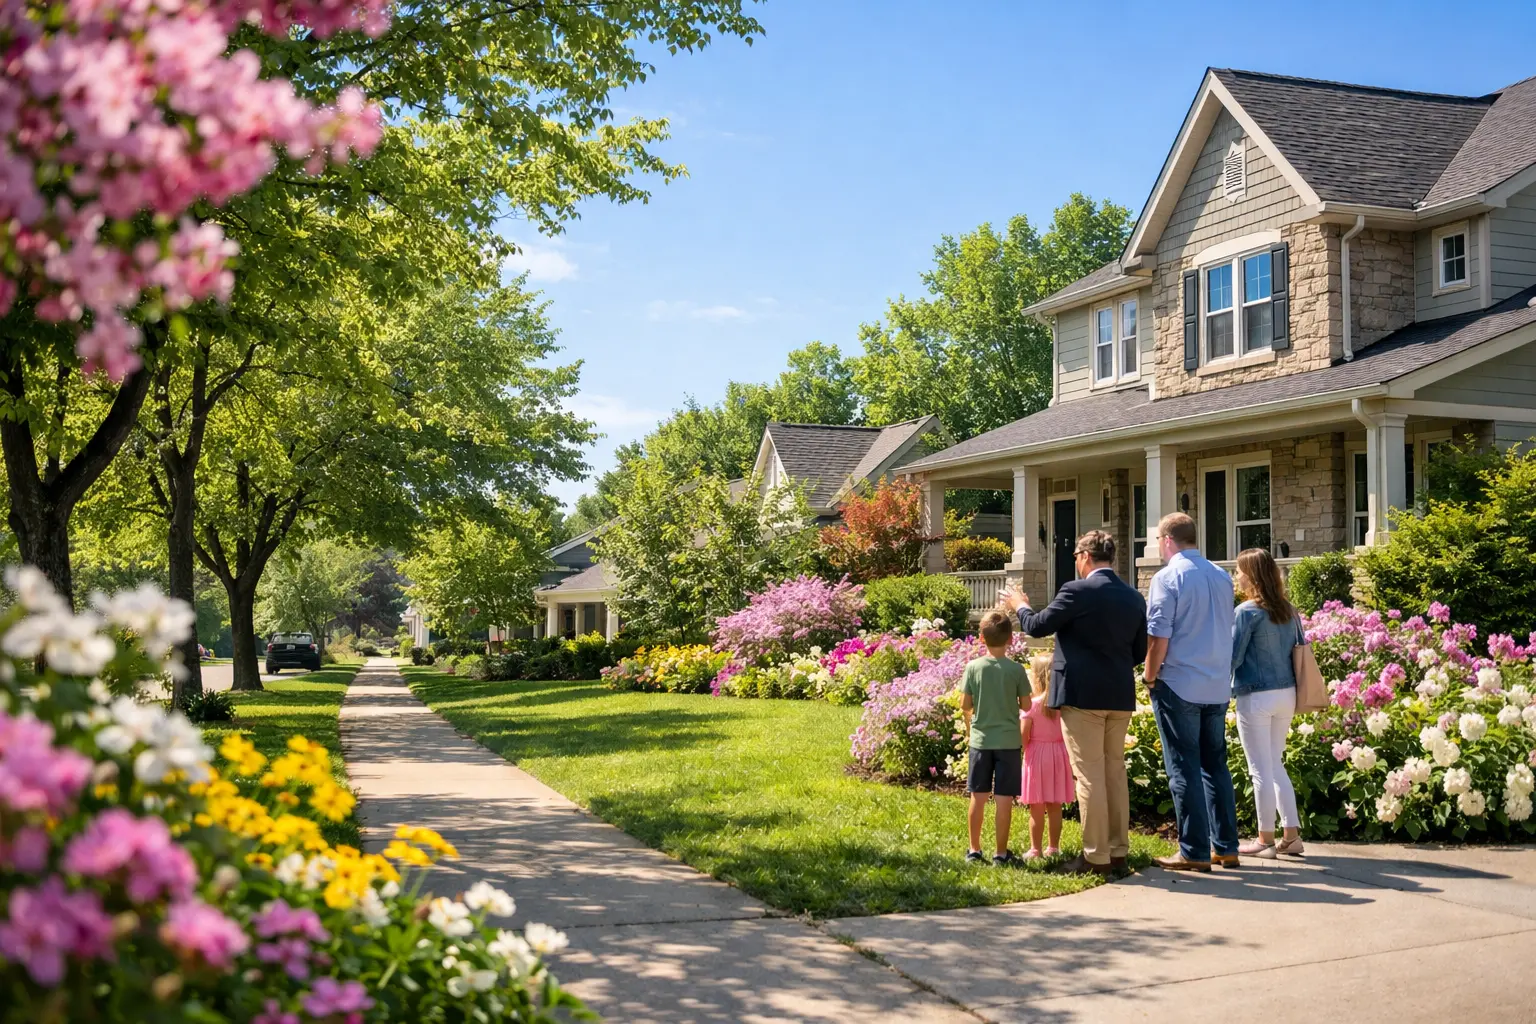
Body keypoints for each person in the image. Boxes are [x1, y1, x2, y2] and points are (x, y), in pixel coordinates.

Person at [1001, 530, 1147, 877]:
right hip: (1119, 695)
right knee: (1114, 773)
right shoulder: (1133, 596)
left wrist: (1019, 604)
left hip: (1082, 697)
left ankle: (1096, 857)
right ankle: (1118, 851)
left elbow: (1037, 626)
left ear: (1084, 557)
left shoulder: (1076, 591)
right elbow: (1139, 652)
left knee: (1090, 777)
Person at [1143, 512, 1241, 872]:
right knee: (1216, 766)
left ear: (1168, 540)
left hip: (1180, 682)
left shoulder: (1168, 577)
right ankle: (1226, 847)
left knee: (1183, 767)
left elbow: (1158, 636)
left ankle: (1194, 851)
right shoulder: (1221, 575)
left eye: (1157, 541)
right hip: (1216, 683)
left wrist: (1149, 676)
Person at [1231, 547, 1305, 859]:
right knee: (1274, 764)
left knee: (1260, 769)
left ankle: (1264, 839)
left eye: (1239, 570)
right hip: (1287, 693)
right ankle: (1291, 835)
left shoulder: (1246, 612)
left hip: (1255, 695)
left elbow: (1233, 658)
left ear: (1251, 576)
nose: (1236, 576)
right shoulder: (1289, 610)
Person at [960, 609, 1031, 866]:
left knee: (977, 797)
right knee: (1004, 799)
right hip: (1009, 742)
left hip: (981, 741)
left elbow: (964, 703)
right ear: (1011, 639)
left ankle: (974, 850)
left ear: (981, 637)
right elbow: (1025, 706)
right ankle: (1001, 853)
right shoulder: (1016, 670)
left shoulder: (973, 667)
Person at [1020, 653, 1075, 859]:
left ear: (1036, 678)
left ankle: (1036, 849)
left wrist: (1027, 749)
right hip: (1059, 754)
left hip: (1037, 755)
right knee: (1055, 806)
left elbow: (1024, 735)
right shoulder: (1063, 705)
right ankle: (1054, 847)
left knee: (1036, 807)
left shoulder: (1031, 706)